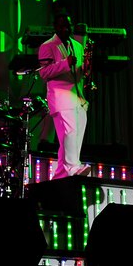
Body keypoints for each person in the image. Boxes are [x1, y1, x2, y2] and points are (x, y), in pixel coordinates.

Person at [38, 12, 91, 179]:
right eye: (62, 26)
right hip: (60, 97)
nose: (65, 29)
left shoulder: (77, 46)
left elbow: (80, 74)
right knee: (69, 132)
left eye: (68, 25)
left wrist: (86, 68)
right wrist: (65, 64)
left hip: (77, 97)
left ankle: (61, 174)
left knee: (75, 135)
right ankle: (74, 167)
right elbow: (44, 73)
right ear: (55, 27)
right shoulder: (47, 46)